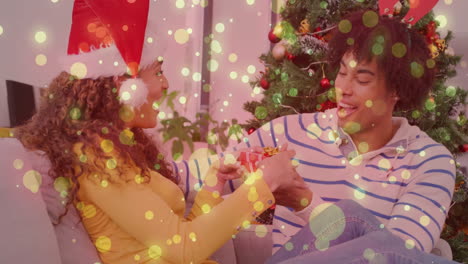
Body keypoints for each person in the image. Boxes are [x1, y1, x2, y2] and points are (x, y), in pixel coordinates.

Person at [14, 0, 305, 263]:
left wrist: (213, 186)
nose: (165, 85)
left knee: (350, 219)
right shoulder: (96, 158)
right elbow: (185, 250)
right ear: (125, 86)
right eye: (159, 72)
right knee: (350, 224)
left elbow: (182, 239)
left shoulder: (117, 150)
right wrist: (266, 182)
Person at [216, 10, 458, 263]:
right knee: (352, 216)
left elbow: (402, 255)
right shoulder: (288, 132)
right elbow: (205, 173)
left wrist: (304, 203)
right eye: (342, 73)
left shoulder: (430, 161)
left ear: (396, 90)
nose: (343, 89)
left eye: (362, 79)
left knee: (373, 235)